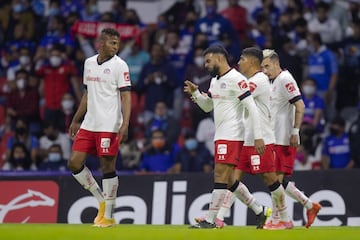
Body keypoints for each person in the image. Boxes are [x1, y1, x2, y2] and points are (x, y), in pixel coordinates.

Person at [184, 45, 269, 229]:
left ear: (220, 58)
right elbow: (208, 107)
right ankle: (260, 210)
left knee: (220, 174)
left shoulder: (237, 79)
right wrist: (196, 94)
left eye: (208, 61)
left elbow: (252, 108)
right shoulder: (215, 81)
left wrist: (258, 136)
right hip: (221, 134)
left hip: (232, 134)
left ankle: (211, 220)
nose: (205, 65)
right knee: (230, 181)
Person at [214, 47, 292, 230]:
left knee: (270, 179)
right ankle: (220, 217)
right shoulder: (250, 81)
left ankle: (285, 218)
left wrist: (219, 92)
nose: (239, 62)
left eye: (242, 59)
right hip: (246, 138)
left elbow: (236, 97)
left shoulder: (259, 81)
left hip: (261, 138)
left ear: (251, 61)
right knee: (231, 179)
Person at [67, 28, 131, 228]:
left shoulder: (120, 65)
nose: (116, 47)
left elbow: (126, 96)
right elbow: (87, 94)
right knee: (74, 163)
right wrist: (76, 119)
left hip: (109, 124)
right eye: (112, 43)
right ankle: (101, 200)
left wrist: (125, 123)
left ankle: (109, 216)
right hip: (89, 123)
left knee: (107, 167)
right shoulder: (89, 63)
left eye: (117, 44)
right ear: (100, 43)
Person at [261, 49, 322, 228]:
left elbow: (300, 105)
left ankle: (279, 220)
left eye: (266, 66)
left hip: (284, 138)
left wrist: (295, 131)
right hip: (273, 137)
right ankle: (310, 205)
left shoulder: (285, 79)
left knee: (275, 181)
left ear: (275, 63)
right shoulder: (271, 81)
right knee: (274, 179)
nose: (264, 70)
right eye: (262, 67)